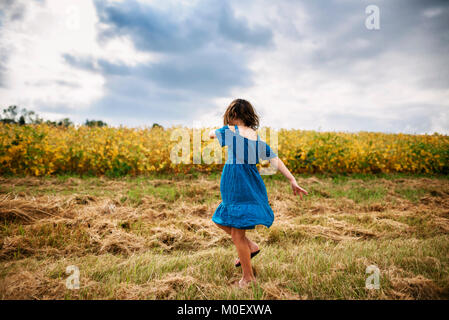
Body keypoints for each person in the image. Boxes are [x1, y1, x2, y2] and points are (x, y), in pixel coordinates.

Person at [209, 98, 308, 288]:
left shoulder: (230, 131)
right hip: (251, 183)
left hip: (236, 184)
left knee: (236, 234)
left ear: (234, 115)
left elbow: (210, 135)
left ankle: (248, 278)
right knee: (221, 220)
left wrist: (219, 130)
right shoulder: (256, 137)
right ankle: (251, 246)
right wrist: (292, 179)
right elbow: (274, 159)